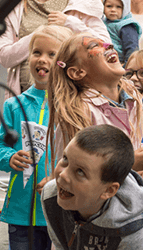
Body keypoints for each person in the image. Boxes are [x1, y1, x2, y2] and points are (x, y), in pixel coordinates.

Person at [42, 33, 143, 193]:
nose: (108, 46)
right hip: (93, 214)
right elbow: (72, 174)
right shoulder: (78, 113)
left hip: (127, 207)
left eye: (106, 43)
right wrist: (129, 164)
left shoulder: (133, 100)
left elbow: (137, 146)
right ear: (78, 72)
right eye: (94, 46)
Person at [40, 124, 143, 249]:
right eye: (65, 159)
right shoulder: (51, 196)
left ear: (108, 190)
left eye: (80, 171)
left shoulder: (131, 227)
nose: (63, 175)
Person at [0, 25, 73, 250]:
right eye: (37, 52)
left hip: (63, 211)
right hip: (21, 213)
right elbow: (1, 145)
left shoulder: (73, 106)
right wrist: (9, 157)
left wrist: (59, 176)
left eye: (52, 54)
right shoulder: (14, 105)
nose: (42, 59)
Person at [0, 0, 111, 100]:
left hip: (71, 96)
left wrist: (70, 23)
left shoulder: (82, 3)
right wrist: (40, 34)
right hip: (26, 97)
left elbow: (106, 46)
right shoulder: (13, 6)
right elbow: (5, 57)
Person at [103, 0, 142, 65]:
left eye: (118, 7)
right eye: (109, 6)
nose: (113, 10)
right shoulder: (102, 23)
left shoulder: (126, 26)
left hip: (121, 63)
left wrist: (126, 69)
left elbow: (131, 50)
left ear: (125, 8)